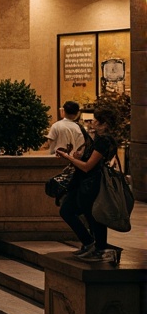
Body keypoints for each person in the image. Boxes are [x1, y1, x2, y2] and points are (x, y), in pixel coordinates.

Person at [56, 109, 119, 262]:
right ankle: (90, 243)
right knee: (68, 210)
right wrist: (78, 155)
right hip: (84, 183)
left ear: (104, 124)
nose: (93, 123)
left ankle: (99, 248)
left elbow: (87, 166)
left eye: (96, 121)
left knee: (93, 216)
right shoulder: (99, 139)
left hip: (91, 184)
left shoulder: (104, 141)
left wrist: (68, 158)